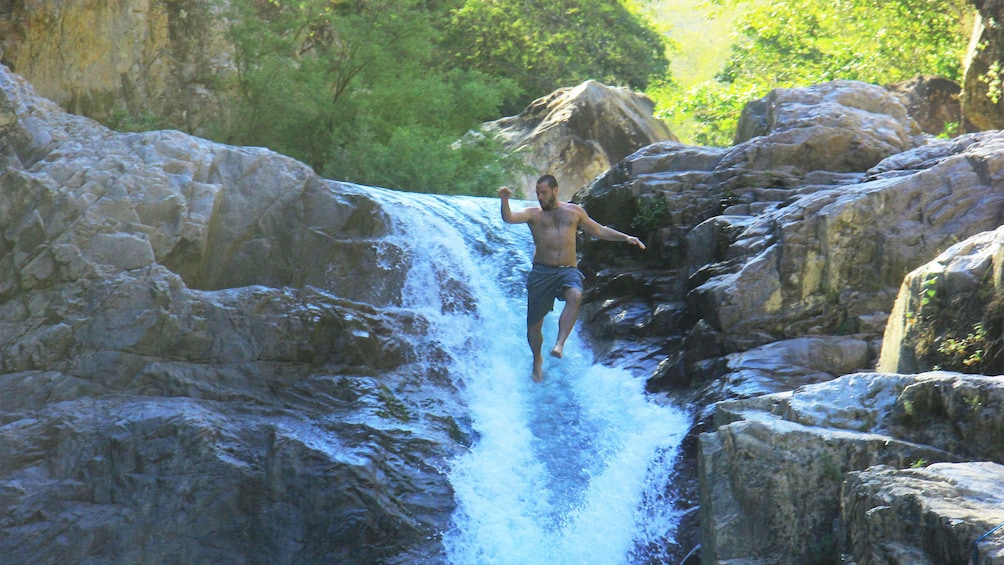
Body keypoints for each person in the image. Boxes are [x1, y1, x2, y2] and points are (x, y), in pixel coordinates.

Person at [498, 174, 646, 383]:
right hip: (542, 272)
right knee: (533, 328)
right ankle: (537, 358)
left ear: (555, 190)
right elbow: (509, 218)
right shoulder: (533, 214)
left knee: (575, 295)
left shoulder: (573, 212)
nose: (540, 197)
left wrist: (625, 237)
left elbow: (599, 230)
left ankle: (559, 344)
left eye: (544, 192)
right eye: (538, 193)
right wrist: (504, 200)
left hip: (568, 270)